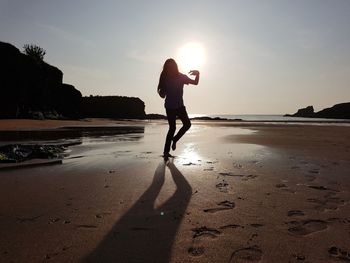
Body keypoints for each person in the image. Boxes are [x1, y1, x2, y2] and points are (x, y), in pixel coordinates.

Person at [157, 58, 200, 158]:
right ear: (166, 69)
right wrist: (161, 93)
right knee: (172, 128)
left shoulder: (182, 77)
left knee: (187, 124)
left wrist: (198, 73)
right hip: (169, 107)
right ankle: (166, 152)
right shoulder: (164, 78)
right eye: (168, 68)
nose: (170, 69)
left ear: (175, 67)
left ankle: (175, 139)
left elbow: (195, 83)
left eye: (172, 67)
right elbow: (161, 93)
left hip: (180, 106)